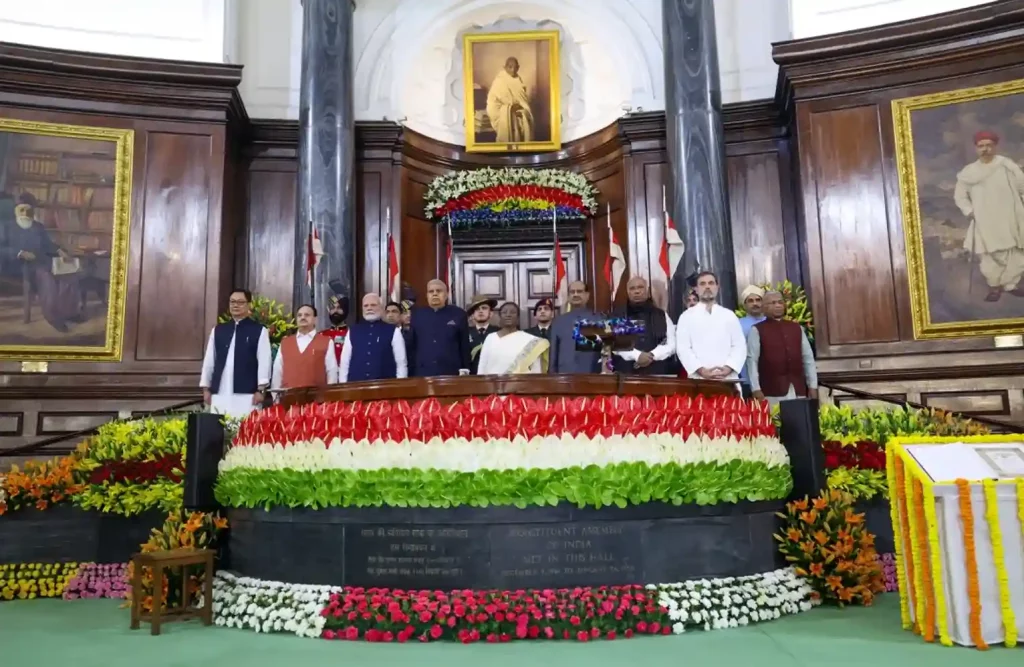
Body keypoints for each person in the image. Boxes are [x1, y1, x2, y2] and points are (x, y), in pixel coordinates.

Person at [954, 130, 1024, 301]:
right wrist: (969, 211)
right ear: (976, 148)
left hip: (1010, 216)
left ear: (995, 146)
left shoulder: (1007, 166)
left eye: (989, 145)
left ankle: (1010, 284)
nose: (985, 149)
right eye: (981, 146)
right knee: (987, 255)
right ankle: (994, 287)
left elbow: (1022, 186)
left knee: (1015, 252)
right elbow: (960, 196)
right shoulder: (969, 172)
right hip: (984, 219)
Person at [0, 193, 83, 331]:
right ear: (16, 210)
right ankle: (53, 317)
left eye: (28, 210)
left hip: (40, 261)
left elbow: (47, 245)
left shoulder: (38, 226)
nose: (25, 213)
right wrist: (20, 253)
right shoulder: (6, 226)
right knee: (46, 275)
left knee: (69, 273)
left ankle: (70, 313)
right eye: (22, 209)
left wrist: (59, 250)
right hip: (17, 265)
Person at [199, 289, 272, 418]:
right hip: (219, 392)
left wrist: (261, 390)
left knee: (244, 429)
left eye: (240, 302)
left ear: (249, 305)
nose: (235, 305)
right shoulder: (219, 330)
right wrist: (206, 388)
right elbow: (209, 360)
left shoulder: (259, 330)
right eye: (232, 302)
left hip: (247, 393)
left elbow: (264, 362)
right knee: (219, 430)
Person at [746, 291, 818, 405]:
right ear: (764, 307)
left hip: (798, 390)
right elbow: (752, 361)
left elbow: (808, 359)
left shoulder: (796, 327)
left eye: (780, 302)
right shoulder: (757, 330)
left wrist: (813, 386)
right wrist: (756, 389)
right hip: (771, 392)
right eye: (773, 303)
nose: (778, 305)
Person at [675, 271, 746, 381]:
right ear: (696, 289)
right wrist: (701, 370)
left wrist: (728, 368)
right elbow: (683, 348)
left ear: (717, 287)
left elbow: (739, 345)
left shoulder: (729, 315)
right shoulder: (686, 317)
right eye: (702, 284)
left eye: (711, 283)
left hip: (728, 378)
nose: (707, 286)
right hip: (699, 379)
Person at [407, 279, 470, 377]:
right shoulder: (417, 315)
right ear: (427, 295)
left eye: (439, 291)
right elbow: (412, 346)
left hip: (451, 372)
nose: (435, 294)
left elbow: (464, 345)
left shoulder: (458, 314)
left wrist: (466, 369)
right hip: (423, 372)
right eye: (431, 291)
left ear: (446, 294)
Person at [613, 276, 675, 375]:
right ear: (627, 292)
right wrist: (637, 356)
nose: (636, 291)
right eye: (632, 288)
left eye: (640, 287)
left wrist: (652, 355)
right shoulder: (619, 315)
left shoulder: (661, 315)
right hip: (627, 374)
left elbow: (672, 344)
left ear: (647, 290)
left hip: (658, 373)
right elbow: (615, 343)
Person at [339, 293, 408, 382]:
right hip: (356, 388)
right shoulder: (353, 331)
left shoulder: (393, 331)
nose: (369, 308)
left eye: (373, 305)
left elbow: (401, 363)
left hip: (385, 388)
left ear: (381, 308)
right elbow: (345, 363)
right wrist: (343, 387)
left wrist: (399, 387)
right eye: (366, 306)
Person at [271, 304, 337, 393]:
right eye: (299, 315)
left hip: (316, 401)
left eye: (307, 315)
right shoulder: (285, 343)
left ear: (315, 319)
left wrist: (329, 398)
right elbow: (277, 372)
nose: (303, 317)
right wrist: (276, 397)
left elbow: (331, 373)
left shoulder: (326, 342)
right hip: (288, 399)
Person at [477, 303, 549, 374]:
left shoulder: (530, 340)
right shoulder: (490, 337)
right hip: (492, 384)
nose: (508, 315)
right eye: (504, 312)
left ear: (518, 317)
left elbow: (536, 370)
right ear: (500, 316)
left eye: (513, 312)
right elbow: (482, 367)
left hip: (521, 384)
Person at [549, 281, 601, 374]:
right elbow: (553, 355)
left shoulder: (598, 319)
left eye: (579, 291)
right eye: (572, 292)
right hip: (565, 378)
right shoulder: (559, 321)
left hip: (592, 377)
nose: (575, 294)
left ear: (587, 295)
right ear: (568, 296)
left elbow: (605, 352)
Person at [486, 57, 533, 144]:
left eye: (515, 67)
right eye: (510, 67)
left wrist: (521, 109)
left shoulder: (518, 79)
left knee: (523, 119)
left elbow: (522, 100)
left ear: (518, 67)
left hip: (517, 112)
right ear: (505, 67)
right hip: (502, 112)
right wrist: (510, 108)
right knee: (510, 117)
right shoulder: (500, 80)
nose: (513, 70)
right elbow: (493, 102)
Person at [736, 285, 767, 393]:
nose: (755, 303)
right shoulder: (738, 324)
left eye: (758, 300)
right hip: (746, 379)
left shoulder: (771, 322)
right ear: (745, 305)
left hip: (771, 379)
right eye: (750, 301)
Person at [467, 294, 499, 375]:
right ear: (472, 315)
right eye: (477, 309)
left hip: (494, 376)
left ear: (491, 313)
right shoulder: (465, 333)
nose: (480, 311)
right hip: (472, 377)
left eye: (484, 308)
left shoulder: (499, 332)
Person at [320, 296, 349, 363]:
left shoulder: (351, 335)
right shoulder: (321, 335)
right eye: (332, 308)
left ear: (345, 310)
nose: (335, 311)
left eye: (339, 308)